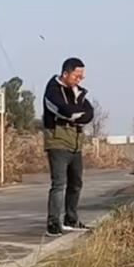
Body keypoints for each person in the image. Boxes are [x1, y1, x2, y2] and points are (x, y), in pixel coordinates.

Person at [43, 58, 95, 237]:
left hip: (76, 142)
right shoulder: (52, 91)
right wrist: (75, 114)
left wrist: (76, 115)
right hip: (57, 141)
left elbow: (89, 113)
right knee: (59, 184)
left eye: (82, 77)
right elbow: (64, 110)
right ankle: (53, 222)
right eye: (76, 76)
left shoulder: (78, 91)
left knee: (76, 183)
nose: (79, 80)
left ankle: (71, 218)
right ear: (65, 73)